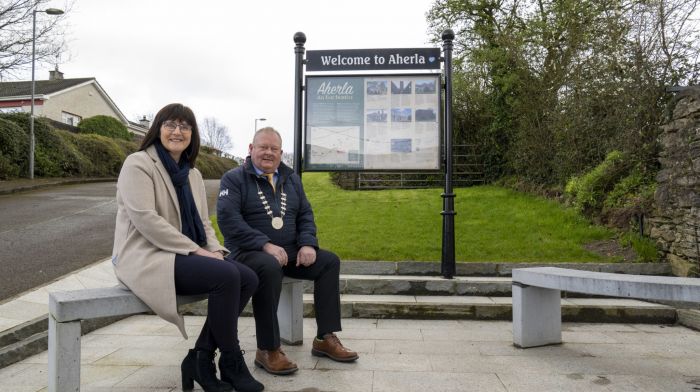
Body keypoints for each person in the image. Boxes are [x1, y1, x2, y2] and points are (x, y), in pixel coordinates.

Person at [112, 103, 263, 392]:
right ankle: (230, 362)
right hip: (147, 255)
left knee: (249, 277)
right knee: (227, 276)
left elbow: (204, 222)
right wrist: (197, 251)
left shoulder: (192, 174)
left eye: (185, 126)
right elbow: (146, 219)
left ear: (193, 134)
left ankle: (201, 358)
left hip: (180, 253)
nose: (177, 131)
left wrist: (216, 250)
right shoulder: (138, 163)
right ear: (158, 129)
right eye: (170, 124)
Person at [216, 127, 358, 376]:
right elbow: (228, 220)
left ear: (281, 153)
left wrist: (307, 243)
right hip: (249, 253)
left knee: (329, 262)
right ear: (251, 149)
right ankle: (268, 349)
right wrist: (264, 244)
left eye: (274, 149)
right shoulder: (233, 178)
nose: (268, 153)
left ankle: (325, 337)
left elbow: (305, 214)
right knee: (269, 266)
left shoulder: (291, 178)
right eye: (263, 147)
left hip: (290, 251)